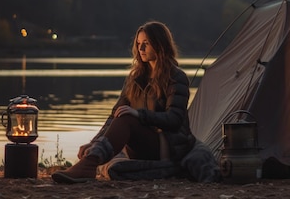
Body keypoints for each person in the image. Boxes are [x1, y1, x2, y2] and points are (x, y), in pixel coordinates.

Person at [51, 21, 197, 184]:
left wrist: (138, 114)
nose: (141, 49)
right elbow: (114, 116)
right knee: (122, 114)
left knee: (127, 118)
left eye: (146, 44)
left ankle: (88, 166)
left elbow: (175, 119)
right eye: (139, 44)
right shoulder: (135, 78)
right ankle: (90, 161)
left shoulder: (176, 77)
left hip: (168, 147)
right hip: (141, 145)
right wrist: (94, 143)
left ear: (160, 45)